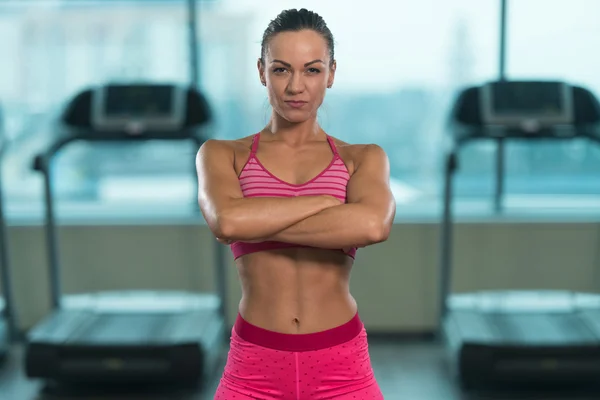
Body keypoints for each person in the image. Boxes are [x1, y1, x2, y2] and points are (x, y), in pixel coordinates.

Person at [196, 8, 395, 400]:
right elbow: (227, 222)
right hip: (254, 365)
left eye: (312, 70)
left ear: (332, 73)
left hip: (341, 364)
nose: (295, 87)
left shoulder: (363, 158)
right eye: (282, 69)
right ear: (261, 71)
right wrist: (324, 202)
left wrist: (256, 218)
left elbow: (373, 226)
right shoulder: (222, 154)